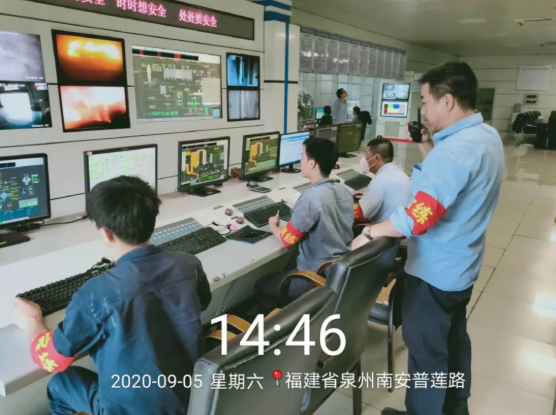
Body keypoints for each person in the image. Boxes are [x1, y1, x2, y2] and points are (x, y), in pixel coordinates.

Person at [352, 62, 505, 415]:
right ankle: (455, 407)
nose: (423, 110)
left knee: (426, 356)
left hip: (434, 273)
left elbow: (418, 217)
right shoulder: (486, 136)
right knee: (453, 341)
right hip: (461, 267)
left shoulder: (452, 153)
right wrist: (427, 149)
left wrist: (371, 231)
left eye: (425, 101)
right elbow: (455, 185)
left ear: (446, 100)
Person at [13, 176, 212, 415]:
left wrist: (32, 321)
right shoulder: (188, 264)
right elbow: (202, 303)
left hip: (133, 410)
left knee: (60, 384)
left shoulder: (96, 294)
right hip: (192, 400)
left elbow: (51, 359)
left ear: (106, 234)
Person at [254, 137, 353, 311]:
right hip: (339, 271)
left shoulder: (310, 199)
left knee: (261, 285)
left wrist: (273, 226)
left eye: (302, 156)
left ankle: (284, 320)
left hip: (314, 276)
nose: (300, 161)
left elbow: (287, 240)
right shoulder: (343, 190)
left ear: (312, 163)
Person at [354, 138, 410, 225]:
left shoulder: (379, 181)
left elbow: (361, 215)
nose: (364, 159)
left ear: (376, 158)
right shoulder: (399, 173)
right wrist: (368, 195)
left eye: (366, 155)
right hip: (402, 225)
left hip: (388, 230)